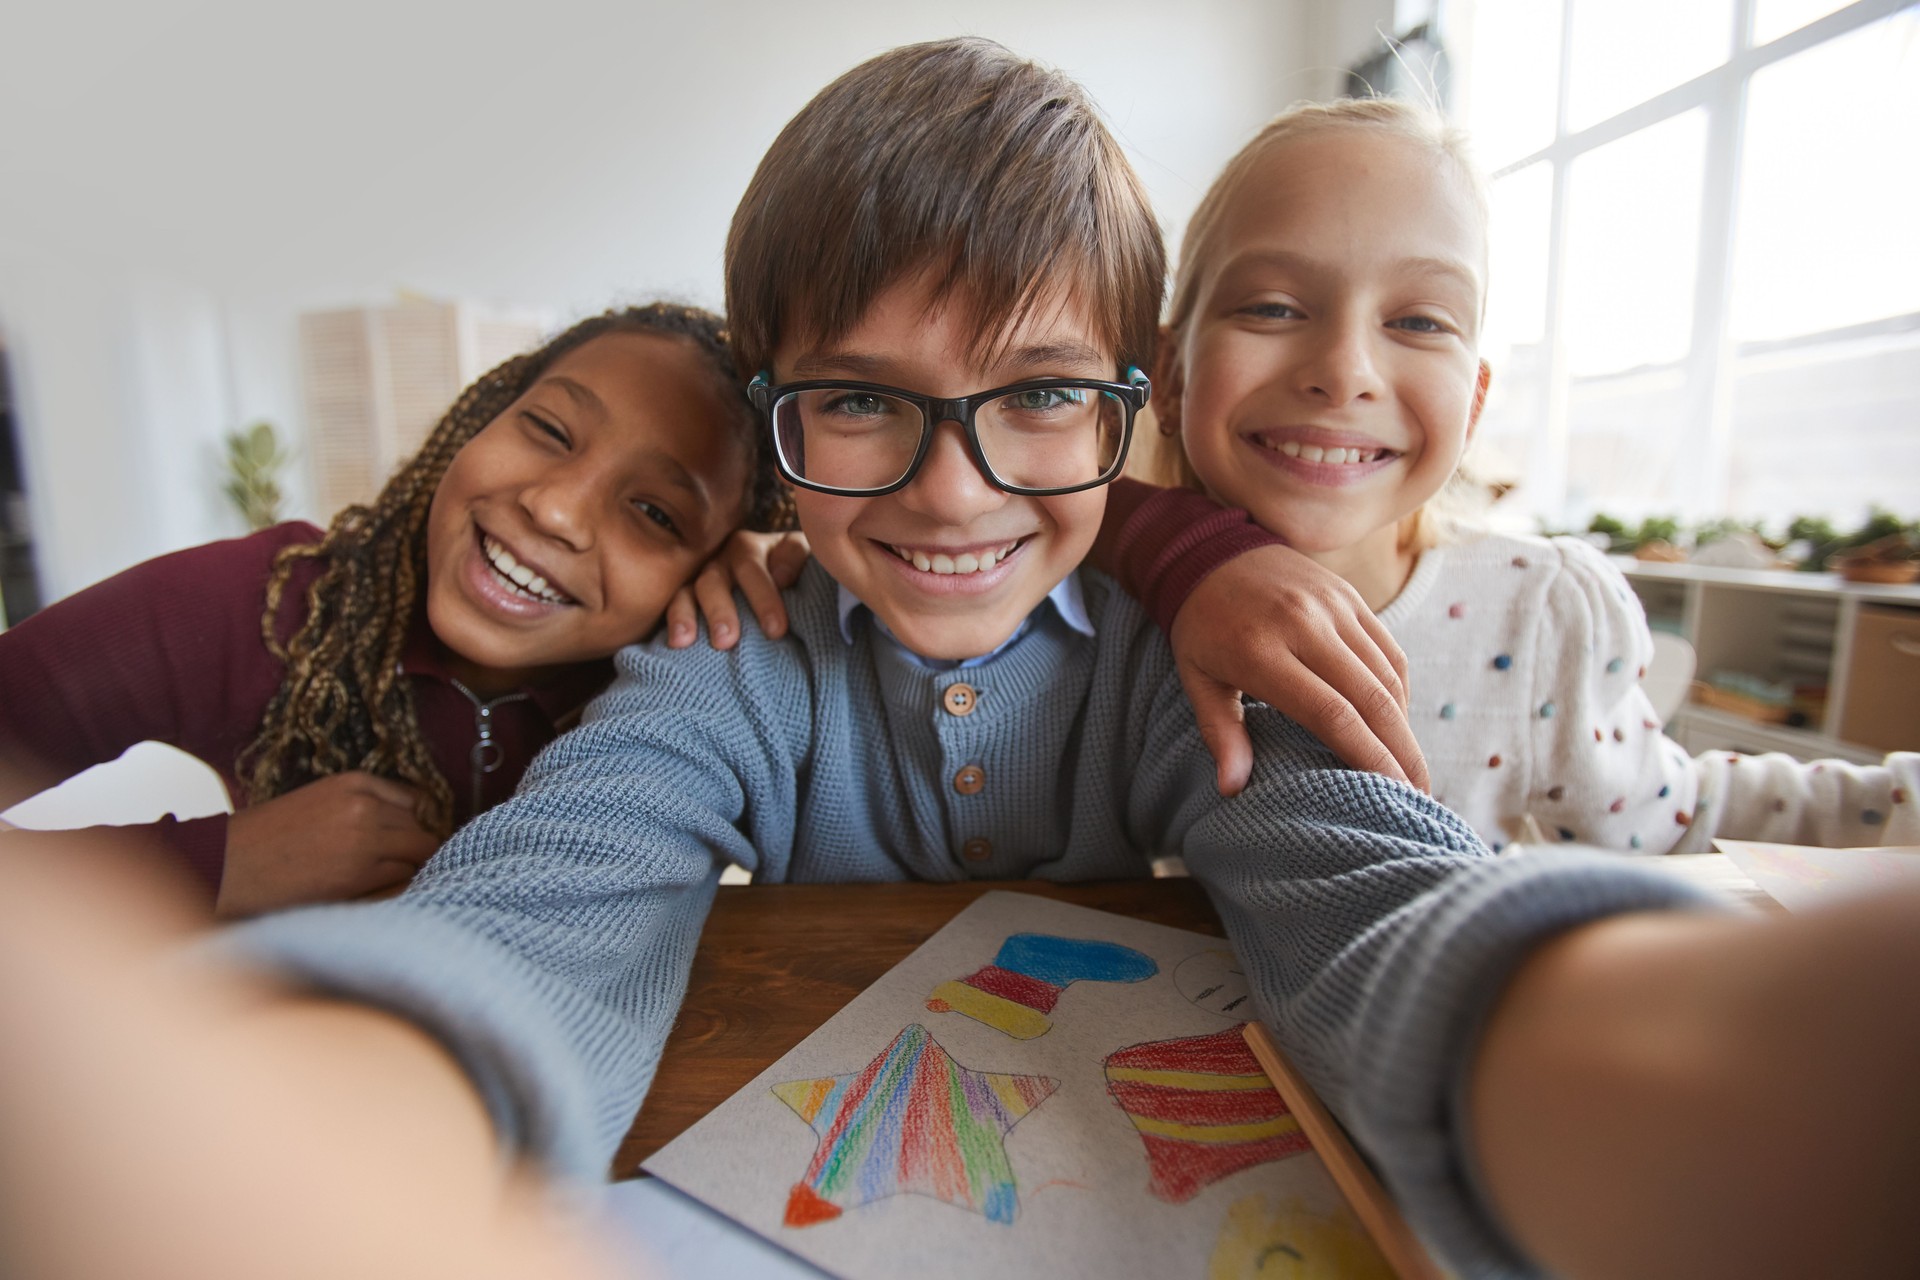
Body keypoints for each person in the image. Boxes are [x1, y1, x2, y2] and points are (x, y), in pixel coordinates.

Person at [71, 38, 1913, 1280]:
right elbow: (560, 896)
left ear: (1138, 409)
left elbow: (1368, 902)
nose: (954, 492)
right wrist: (321, 1103)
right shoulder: (742, 652)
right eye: (862, 404)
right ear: (776, 418)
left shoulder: (1190, 651)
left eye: (1039, 399)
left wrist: (1713, 1060)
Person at [1128, 97, 1919, 854]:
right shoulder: (1090, 594)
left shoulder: (1536, 611)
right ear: (1170, 374)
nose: (1345, 372)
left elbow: (1675, 820)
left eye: (1418, 322)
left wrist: (1900, 800)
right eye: (1271, 307)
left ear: (1473, 405)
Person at [0, 303, 791, 917]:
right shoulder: (264, 605)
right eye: (549, 430)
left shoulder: (697, 686)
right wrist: (220, 865)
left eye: (656, 514)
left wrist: (798, 589)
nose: (555, 510)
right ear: (477, 418)